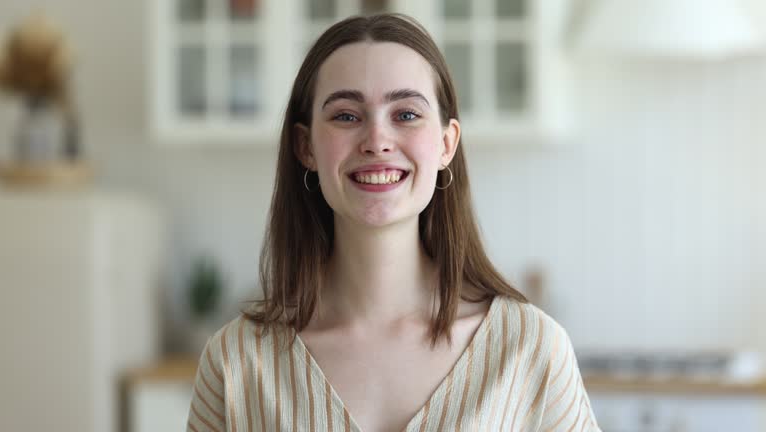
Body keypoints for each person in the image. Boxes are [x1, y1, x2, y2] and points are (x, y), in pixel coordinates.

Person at [186, 13, 600, 432]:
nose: (377, 141)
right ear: (305, 146)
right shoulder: (235, 361)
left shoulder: (530, 349)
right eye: (346, 116)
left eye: (405, 114)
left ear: (446, 144)